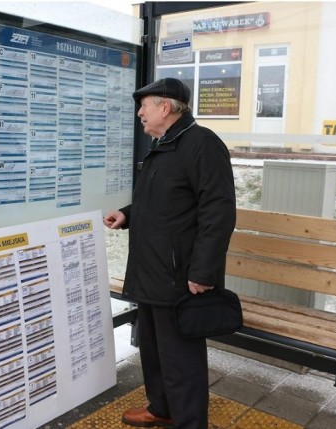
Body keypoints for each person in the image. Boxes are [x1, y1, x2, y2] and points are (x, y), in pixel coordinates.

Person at [103, 78, 236, 429]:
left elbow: (218, 212)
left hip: (180, 277)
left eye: (144, 106)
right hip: (152, 271)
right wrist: (127, 214)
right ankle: (161, 407)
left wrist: (203, 272)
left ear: (165, 107)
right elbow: (165, 200)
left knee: (181, 357)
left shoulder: (202, 145)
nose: (139, 113)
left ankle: (190, 422)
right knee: (153, 349)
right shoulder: (165, 145)